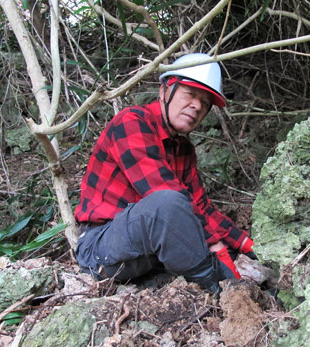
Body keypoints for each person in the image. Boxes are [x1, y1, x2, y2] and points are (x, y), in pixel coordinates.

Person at [74, 53, 256, 294]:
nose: (197, 106)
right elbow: (165, 198)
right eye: (190, 94)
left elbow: (200, 206)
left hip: (147, 251)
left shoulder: (184, 149)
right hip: (100, 248)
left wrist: (246, 244)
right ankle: (218, 292)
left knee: (202, 229)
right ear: (164, 91)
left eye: (205, 103)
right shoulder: (131, 123)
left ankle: (222, 282)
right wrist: (215, 246)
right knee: (168, 204)